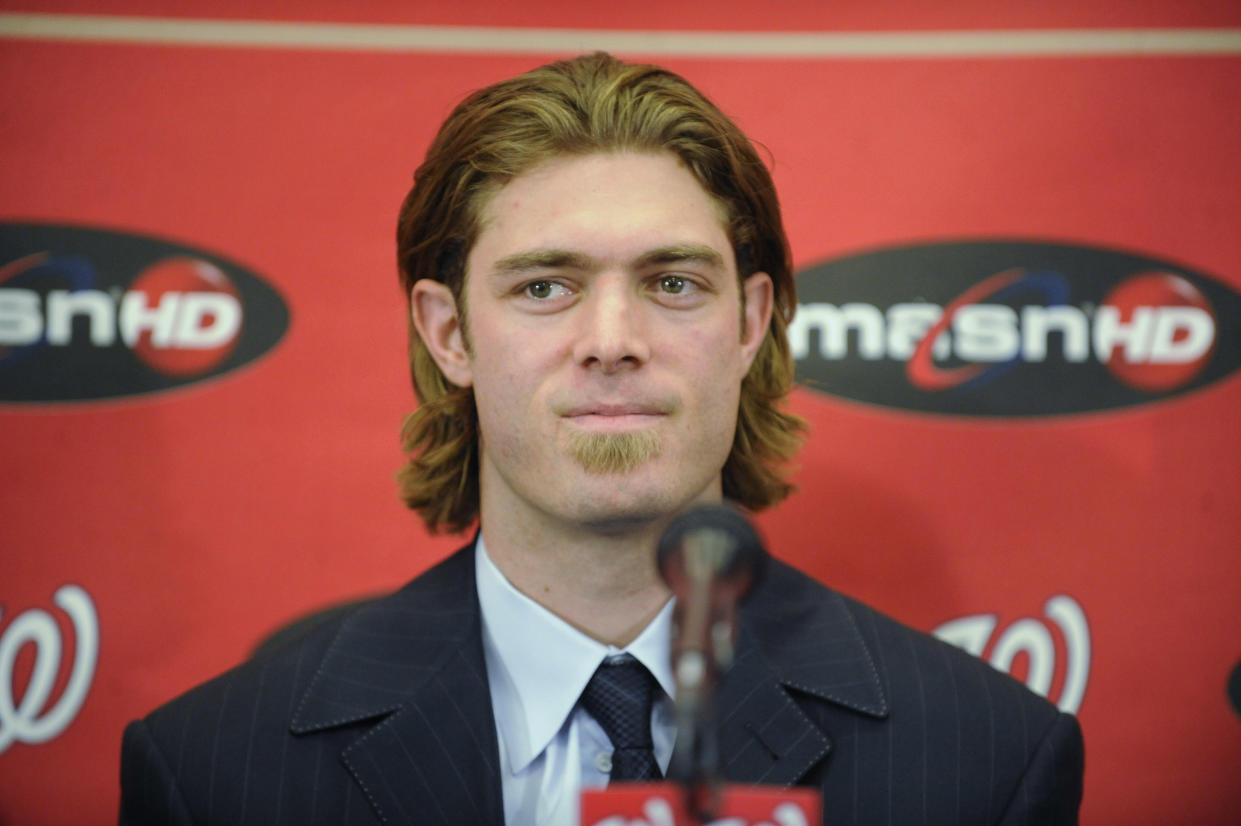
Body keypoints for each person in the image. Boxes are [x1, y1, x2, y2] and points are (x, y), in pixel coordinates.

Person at [119, 52, 1083, 825]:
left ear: (750, 324)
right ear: (448, 333)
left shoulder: (985, 759)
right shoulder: (214, 771)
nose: (613, 342)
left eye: (672, 283)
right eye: (544, 287)